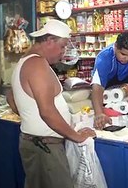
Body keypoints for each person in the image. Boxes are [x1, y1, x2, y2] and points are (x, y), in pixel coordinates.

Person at [7, 19, 96, 188]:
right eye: (62, 46)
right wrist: (76, 136)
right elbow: (47, 112)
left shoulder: (25, 61)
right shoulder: (36, 64)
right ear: (49, 41)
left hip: (38, 144)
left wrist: (31, 119)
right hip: (44, 148)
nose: (63, 52)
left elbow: (11, 98)